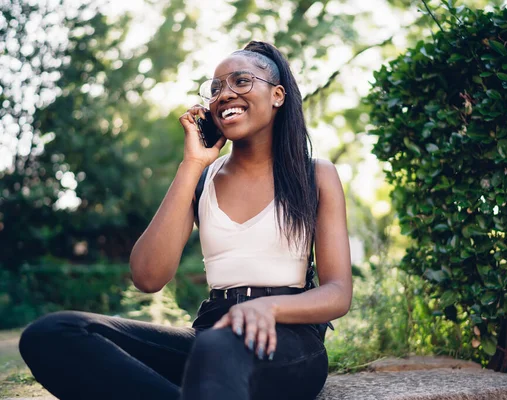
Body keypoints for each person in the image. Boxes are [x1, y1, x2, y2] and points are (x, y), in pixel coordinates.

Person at [18, 40, 352, 400]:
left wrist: (264, 307)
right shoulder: (203, 179)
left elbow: (337, 293)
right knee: (53, 333)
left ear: (277, 95)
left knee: (218, 349)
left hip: (287, 337)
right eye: (216, 88)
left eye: (241, 82)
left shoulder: (315, 174)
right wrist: (192, 165)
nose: (225, 94)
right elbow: (147, 276)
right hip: (212, 333)